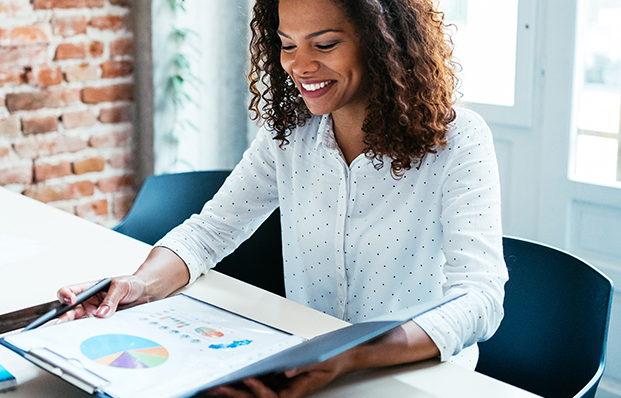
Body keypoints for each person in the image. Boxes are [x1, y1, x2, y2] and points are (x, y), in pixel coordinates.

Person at [58, 0, 508, 396]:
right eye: (287, 45)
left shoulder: (456, 141)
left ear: (381, 41)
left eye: (325, 44)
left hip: (414, 379)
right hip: (301, 372)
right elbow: (210, 232)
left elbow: (480, 296)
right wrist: (141, 284)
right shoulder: (289, 135)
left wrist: (349, 356)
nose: (300, 65)